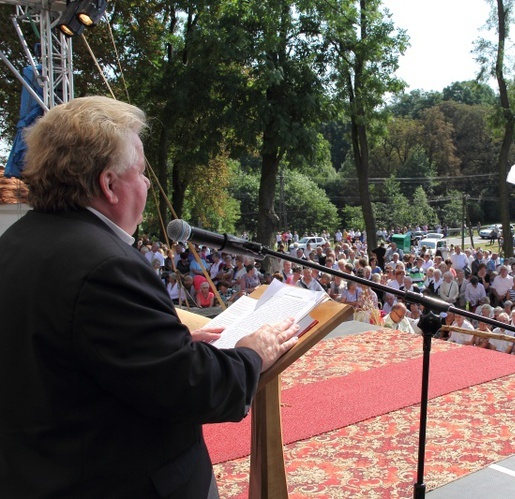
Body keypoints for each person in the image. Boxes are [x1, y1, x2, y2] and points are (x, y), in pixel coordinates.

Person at [0, 97, 299, 498]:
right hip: (112, 478)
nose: (145, 185)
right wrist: (253, 352)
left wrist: (162, 345)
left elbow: (72, 353)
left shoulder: (16, 242)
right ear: (109, 184)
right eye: (140, 173)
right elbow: (189, 389)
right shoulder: (105, 265)